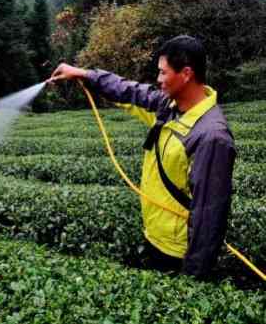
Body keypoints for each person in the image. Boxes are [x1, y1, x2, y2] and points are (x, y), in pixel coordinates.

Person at [46, 35, 236, 279]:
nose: (158, 80)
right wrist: (84, 74)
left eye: (163, 73)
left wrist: (193, 281)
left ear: (186, 73)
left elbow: (209, 218)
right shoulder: (167, 107)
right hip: (153, 235)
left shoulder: (211, 136)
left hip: (177, 252)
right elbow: (129, 91)